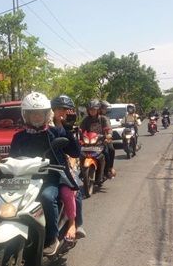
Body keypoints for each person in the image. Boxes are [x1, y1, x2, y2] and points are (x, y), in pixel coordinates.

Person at [10, 92, 81, 255]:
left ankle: (52, 238)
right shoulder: (19, 137)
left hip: (50, 179)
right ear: (25, 115)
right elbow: (12, 159)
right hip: (25, 180)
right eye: (32, 113)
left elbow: (75, 152)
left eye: (40, 113)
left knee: (48, 198)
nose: (36, 117)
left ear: (46, 114)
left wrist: (68, 129)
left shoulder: (54, 133)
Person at [50, 95, 87, 241]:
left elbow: (75, 152)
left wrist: (68, 129)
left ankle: (74, 223)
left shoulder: (68, 127)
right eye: (59, 109)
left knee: (72, 189)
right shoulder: (44, 126)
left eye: (66, 109)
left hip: (61, 166)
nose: (62, 112)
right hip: (40, 168)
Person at [80, 100, 115, 180]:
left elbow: (108, 128)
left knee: (109, 150)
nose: (92, 111)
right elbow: (81, 129)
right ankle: (82, 172)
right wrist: (78, 135)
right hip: (89, 143)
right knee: (80, 154)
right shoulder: (86, 120)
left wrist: (109, 134)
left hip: (102, 141)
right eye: (90, 110)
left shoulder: (103, 119)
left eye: (94, 109)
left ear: (98, 110)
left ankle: (107, 170)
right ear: (88, 110)